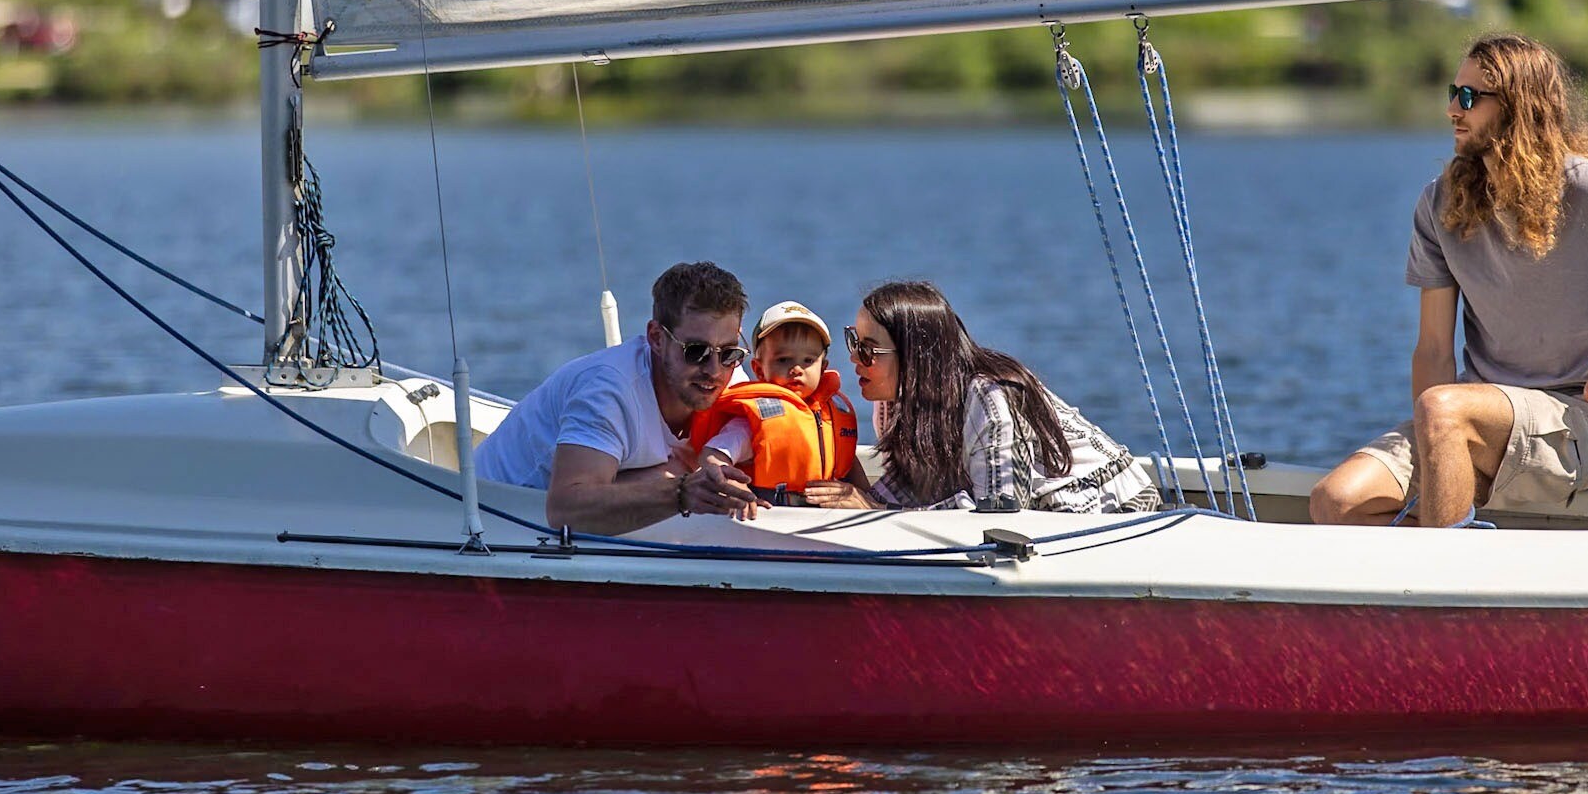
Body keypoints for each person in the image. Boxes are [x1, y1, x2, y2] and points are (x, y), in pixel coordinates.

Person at [1308, 33, 1588, 529]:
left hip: (1572, 427)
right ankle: (1449, 554)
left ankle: (1449, 587)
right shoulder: (1439, 203)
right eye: (1452, 92)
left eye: (1469, 97)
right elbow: (1432, 352)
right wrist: (1437, 452)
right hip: (1467, 422)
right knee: (1334, 502)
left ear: (1518, 107)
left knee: (1444, 408)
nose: (1452, 108)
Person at [804, 280, 1161, 513]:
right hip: (1035, 515)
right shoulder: (891, 404)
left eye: (868, 350)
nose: (853, 359)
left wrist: (876, 512)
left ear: (914, 356)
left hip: (1114, 511)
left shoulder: (991, 399)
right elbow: (912, 488)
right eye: (854, 342)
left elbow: (1002, 512)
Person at [474, 261, 762, 534]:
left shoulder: (731, 380)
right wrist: (682, 492)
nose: (714, 371)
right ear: (657, 339)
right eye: (696, 351)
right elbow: (565, 511)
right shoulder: (608, 391)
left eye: (728, 352)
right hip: (493, 516)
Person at [687, 300, 867, 499]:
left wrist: (868, 498)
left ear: (823, 367)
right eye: (783, 360)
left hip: (823, 517)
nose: (797, 369)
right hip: (772, 518)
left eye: (808, 360)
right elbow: (713, 454)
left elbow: (848, 463)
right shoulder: (755, 419)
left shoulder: (832, 413)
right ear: (758, 370)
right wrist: (735, 488)